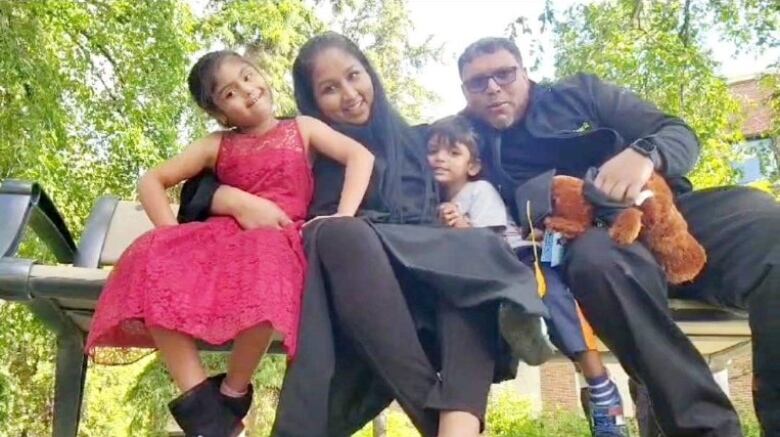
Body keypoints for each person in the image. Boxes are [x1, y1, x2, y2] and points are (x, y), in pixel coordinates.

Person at [180, 32, 549, 437]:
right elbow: (197, 186)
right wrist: (233, 199)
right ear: (312, 100)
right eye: (329, 89)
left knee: (473, 260)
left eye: (355, 76)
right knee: (339, 235)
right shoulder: (301, 144)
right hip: (353, 293)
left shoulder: (423, 141)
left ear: (369, 72)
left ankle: (457, 426)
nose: (350, 94)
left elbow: (493, 147)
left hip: (428, 280)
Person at [457, 36, 780, 436]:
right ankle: (705, 428)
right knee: (599, 261)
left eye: (504, 74)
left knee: (766, 223)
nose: (493, 88)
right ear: (466, 93)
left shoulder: (580, 94)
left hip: (666, 211)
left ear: (525, 73)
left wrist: (645, 154)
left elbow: (678, 134)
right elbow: (398, 153)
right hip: (587, 242)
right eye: (477, 82)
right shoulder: (461, 138)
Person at [85, 50, 375, 437]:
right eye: (229, 93)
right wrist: (170, 235)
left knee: (266, 272)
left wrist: (343, 216)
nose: (247, 91)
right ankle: (205, 410)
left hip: (274, 241)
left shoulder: (302, 129)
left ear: (262, 76)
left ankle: (233, 390)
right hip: (218, 244)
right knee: (152, 262)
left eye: (248, 76)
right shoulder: (216, 144)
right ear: (220, 114)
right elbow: (151, 181)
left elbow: (359, 155)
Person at [427, 115, 628, 436]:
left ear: (474, 165)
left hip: (519, 259)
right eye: (433, 151)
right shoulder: (432, 204)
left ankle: (600, 387)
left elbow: (491, 241)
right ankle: (520, 314)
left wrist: (460, 224)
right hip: (486, 280)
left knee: (555, 298)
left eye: (452, 152)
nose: (439, 158)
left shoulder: (479, 190)